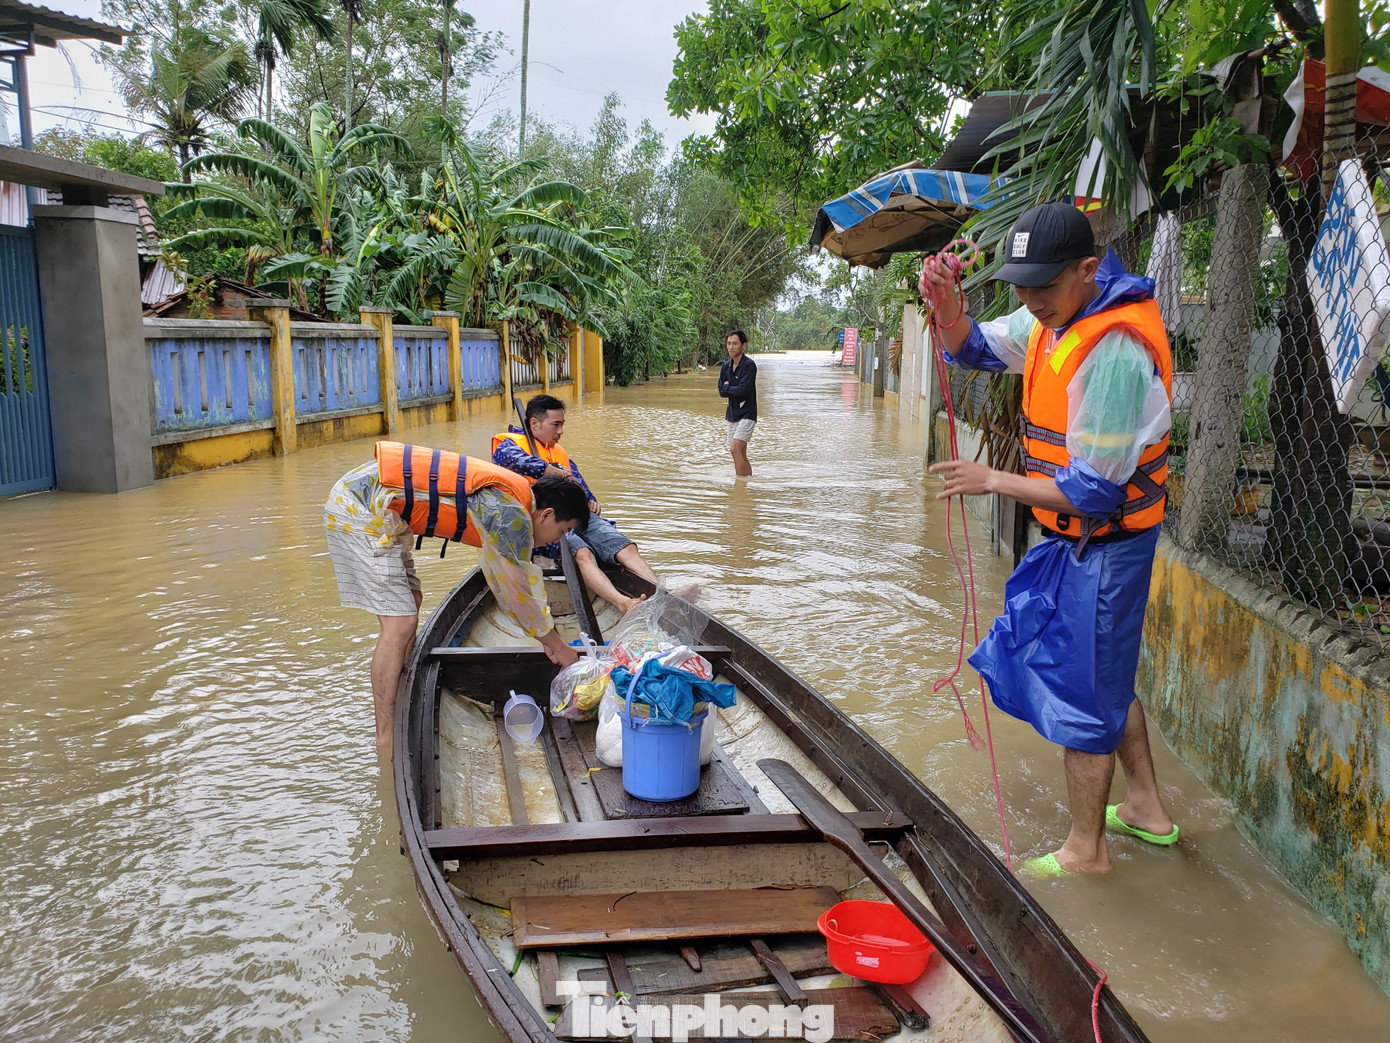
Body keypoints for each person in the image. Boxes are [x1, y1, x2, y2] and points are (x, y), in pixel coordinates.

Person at [923, 202, 1178, 875]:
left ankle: (1085, 852)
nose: (1030, 300)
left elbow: (1096, 491)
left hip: (1108, 543)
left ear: (1088, 270)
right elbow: (971, 347)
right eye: (1022, 286)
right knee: (1107, 676)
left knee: (1084, 694)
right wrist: (948, 303)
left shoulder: (1115, 353)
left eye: (1043, 285)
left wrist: (993, 480)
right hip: (1075, 540)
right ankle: (1148, 806)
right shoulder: (1050, 318)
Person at [324, 441, 589, 747]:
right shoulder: (512, 516)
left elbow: (503, 583)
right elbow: (519, 594)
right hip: (359, 507)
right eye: (559, 532)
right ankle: (385, 737)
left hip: (378, 508)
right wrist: (558, 646)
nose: (552, 541)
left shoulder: (512, 504)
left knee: (412, 603)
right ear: (547, 515)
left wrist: (548, 639)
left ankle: (400, 685)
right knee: (400, 623)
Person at [492, 395, 661, 614]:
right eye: (556, 425)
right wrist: (552, 472)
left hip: (574, 515)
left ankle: (661, 594)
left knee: (623, 546)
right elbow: (516, 462)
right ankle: (623, 602)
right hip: (544, 525)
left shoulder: (558, 452)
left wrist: (590, 500)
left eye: (562, 424)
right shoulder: (509, 445)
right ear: (534, 423)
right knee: (583, 553)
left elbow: (579, 484)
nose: (560, 431)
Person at [719, 329, 757, 476]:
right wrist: (728, 388)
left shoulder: (749, 365)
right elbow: (721, 391)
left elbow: (743, 390)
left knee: (735, 449)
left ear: (743, 345)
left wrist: (728, 387)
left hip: (747, 413)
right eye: (728, 343)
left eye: (735, 343)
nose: (731, 347)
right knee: (740, 452)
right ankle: (746, 483)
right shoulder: (726, 366)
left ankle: (740, 486)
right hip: (733, 413)